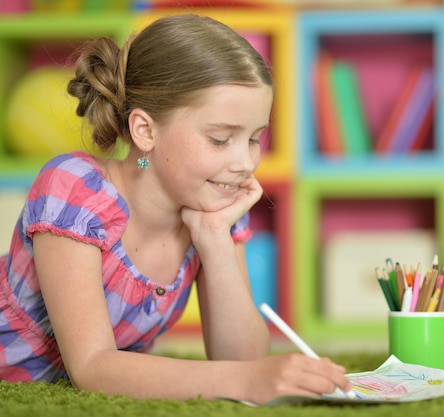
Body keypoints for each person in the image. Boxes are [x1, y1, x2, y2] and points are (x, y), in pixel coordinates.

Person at [0, 13, 352, 405]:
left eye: (254, 139)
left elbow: (243, 362)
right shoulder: (74, 189)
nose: (245, 163)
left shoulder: (214, 204)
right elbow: (92, 366)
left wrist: (215, 239)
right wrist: (245, 380)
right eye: (220, 139)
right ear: (145, 131)